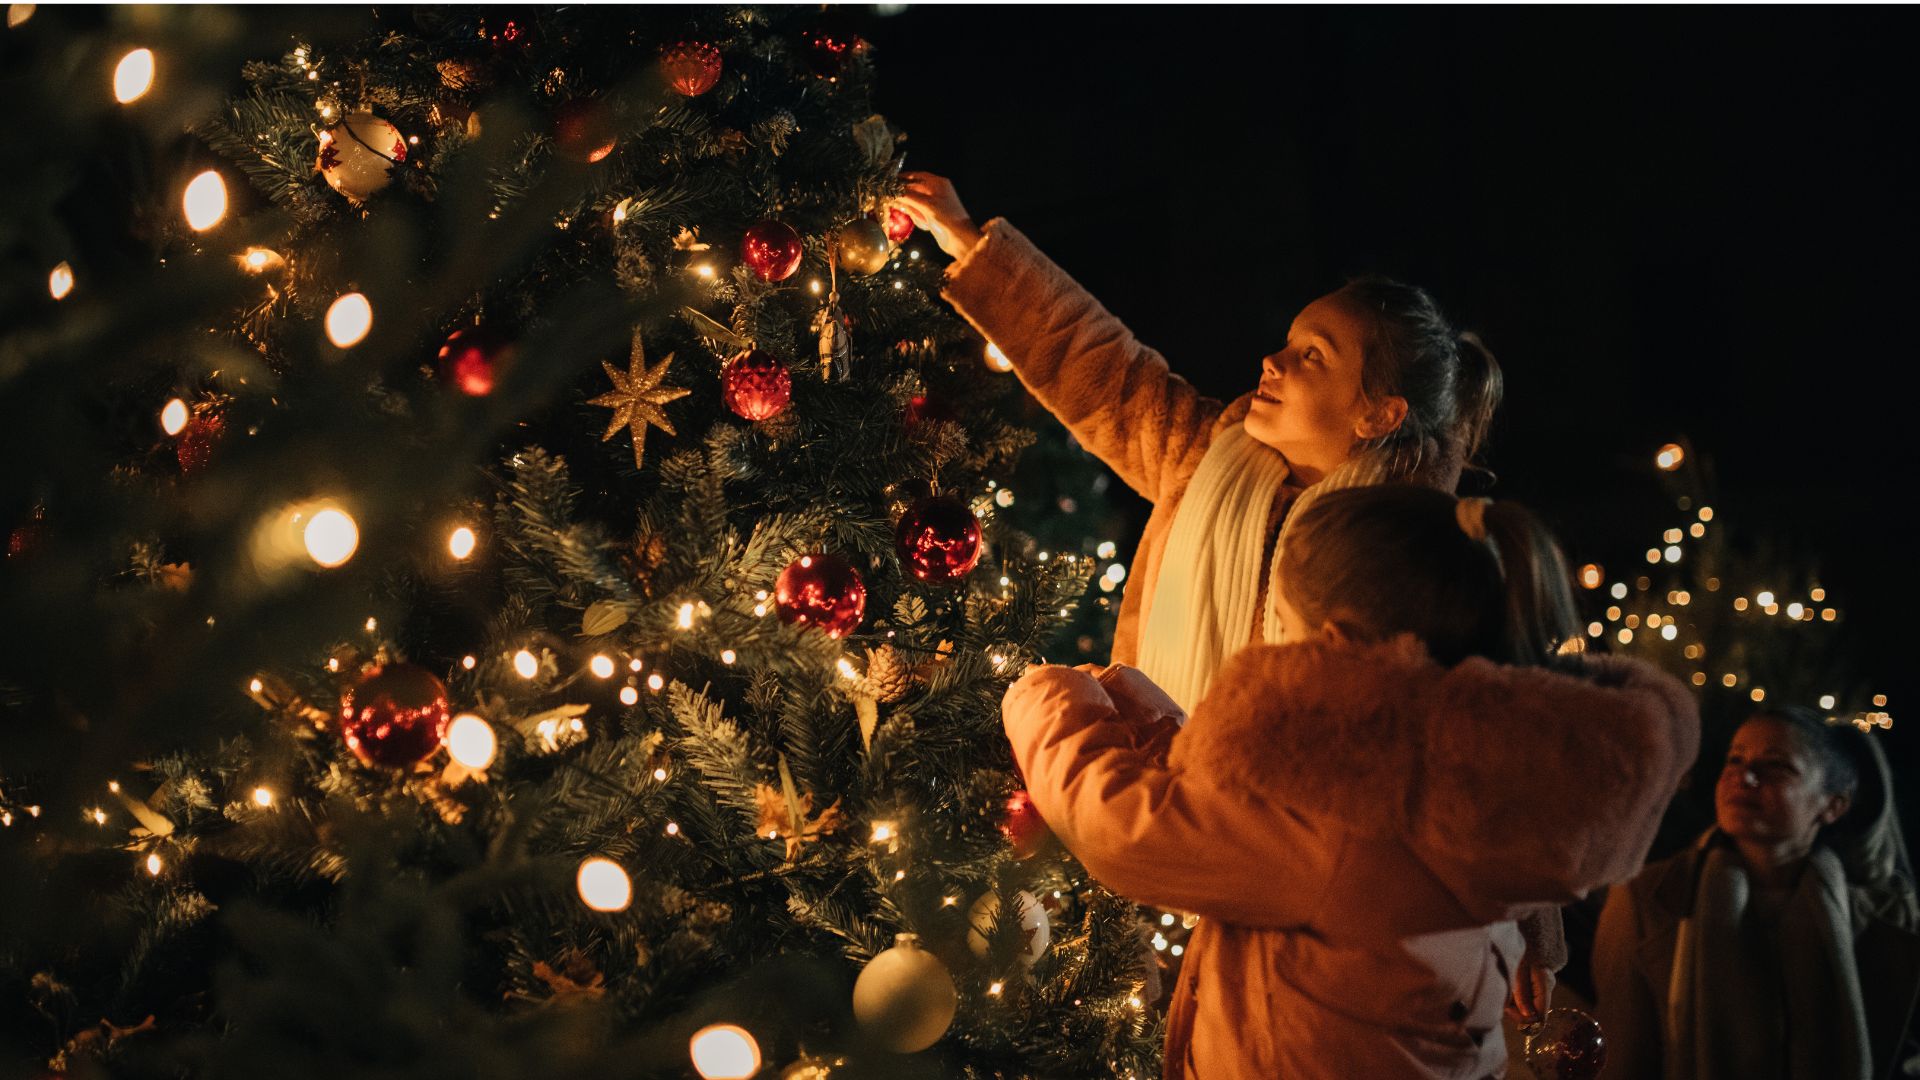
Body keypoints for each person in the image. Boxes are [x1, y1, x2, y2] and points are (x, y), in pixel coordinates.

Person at [895, 173, 1569, 1020]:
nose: (1273, 361)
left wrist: (1533, 937)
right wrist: (970, 243)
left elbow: (1492, 740)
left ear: (1378, 413)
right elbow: (1100, 365)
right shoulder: (1201, 458)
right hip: (1153, 867)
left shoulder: (1422, 555)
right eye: (1287, 342)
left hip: (1305, 915)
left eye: (1312, 355)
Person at [1001, 486, 1700, 1079]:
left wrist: (1047, 695)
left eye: (1285, 626)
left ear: (1333, 642)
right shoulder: (1470, 772)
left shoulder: (1338, 818)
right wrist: (1137, 706)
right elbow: (1241, 808)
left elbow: (1125, 825)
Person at [1592, 705, 1920, 1079]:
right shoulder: (1648, 900)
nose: (1743, 777)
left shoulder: (1887, 919)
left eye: (1776, 766)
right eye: (1735, 759)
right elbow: (1619, 1060)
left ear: (1833, 805)